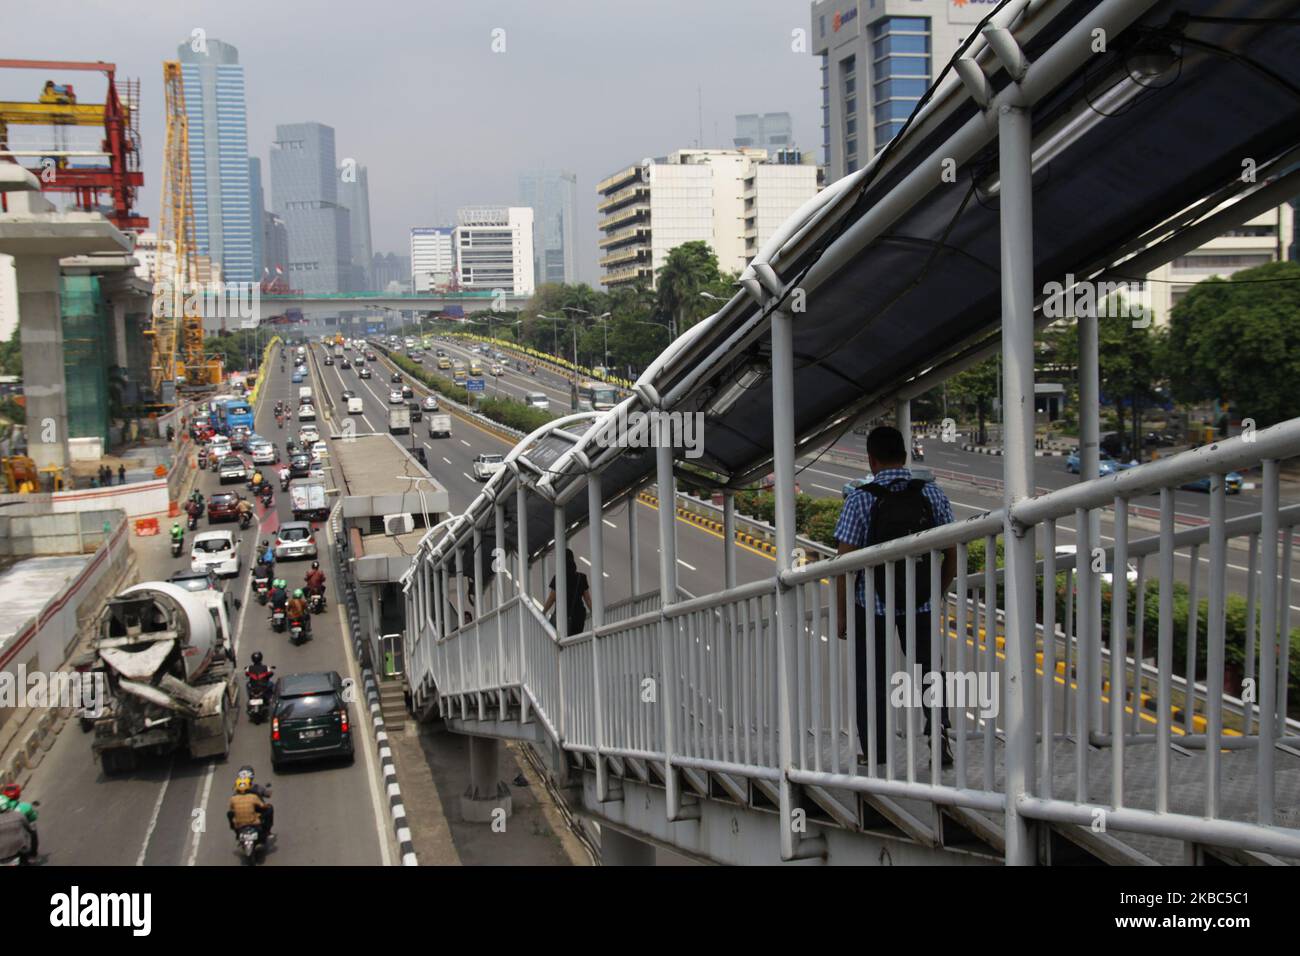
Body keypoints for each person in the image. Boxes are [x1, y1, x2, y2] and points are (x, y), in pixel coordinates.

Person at [835, 425, 957, 770]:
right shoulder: (931, 494)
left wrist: (844, 615)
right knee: (930, 673)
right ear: (905, 456)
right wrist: (935, 592)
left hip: (870, 605)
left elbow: (845, 563)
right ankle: (940, 740)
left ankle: (875, 751)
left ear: (871, 460)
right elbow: (952, 552)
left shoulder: (861, 498)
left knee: (869, 677)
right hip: (921, 601)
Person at [542, 548, 592, 636]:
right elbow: (587, 600)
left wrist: (543, 612)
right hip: (578, 617)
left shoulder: (558, 578)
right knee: (575, 640)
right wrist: (595, 614)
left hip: (562, 616)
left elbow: (551, 598)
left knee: (560, 641)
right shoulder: (581, 577)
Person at [227, 774, 272, 846]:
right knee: (269, 810)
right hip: (253, 823)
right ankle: (267, 832)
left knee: (229, 814)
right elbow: (263, 806)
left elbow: (231, 809)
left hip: (239, 824)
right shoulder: (253, 797)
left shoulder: (233, 799)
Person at [0, 783, 38, 860]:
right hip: (20, 848)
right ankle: (33, 854)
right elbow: (32, 821)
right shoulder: (21, 812)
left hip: (2, 854)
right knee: (33, 830)